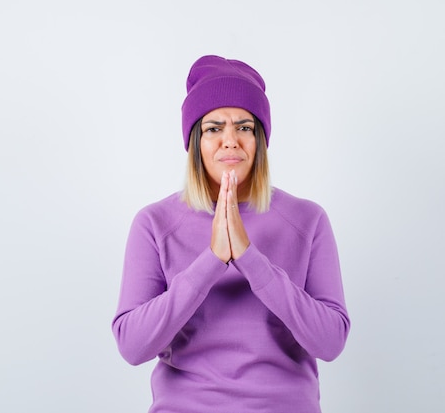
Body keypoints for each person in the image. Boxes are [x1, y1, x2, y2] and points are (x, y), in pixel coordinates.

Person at [111, 55, 350, 413]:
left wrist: (251, 260)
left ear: (260, 140)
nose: (230, 141)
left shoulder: (307, 219)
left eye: (244, 126)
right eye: (213, 128)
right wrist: (212, 260)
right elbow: (132, 347)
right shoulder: (155, 223)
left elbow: (330, 343)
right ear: (194, 141)